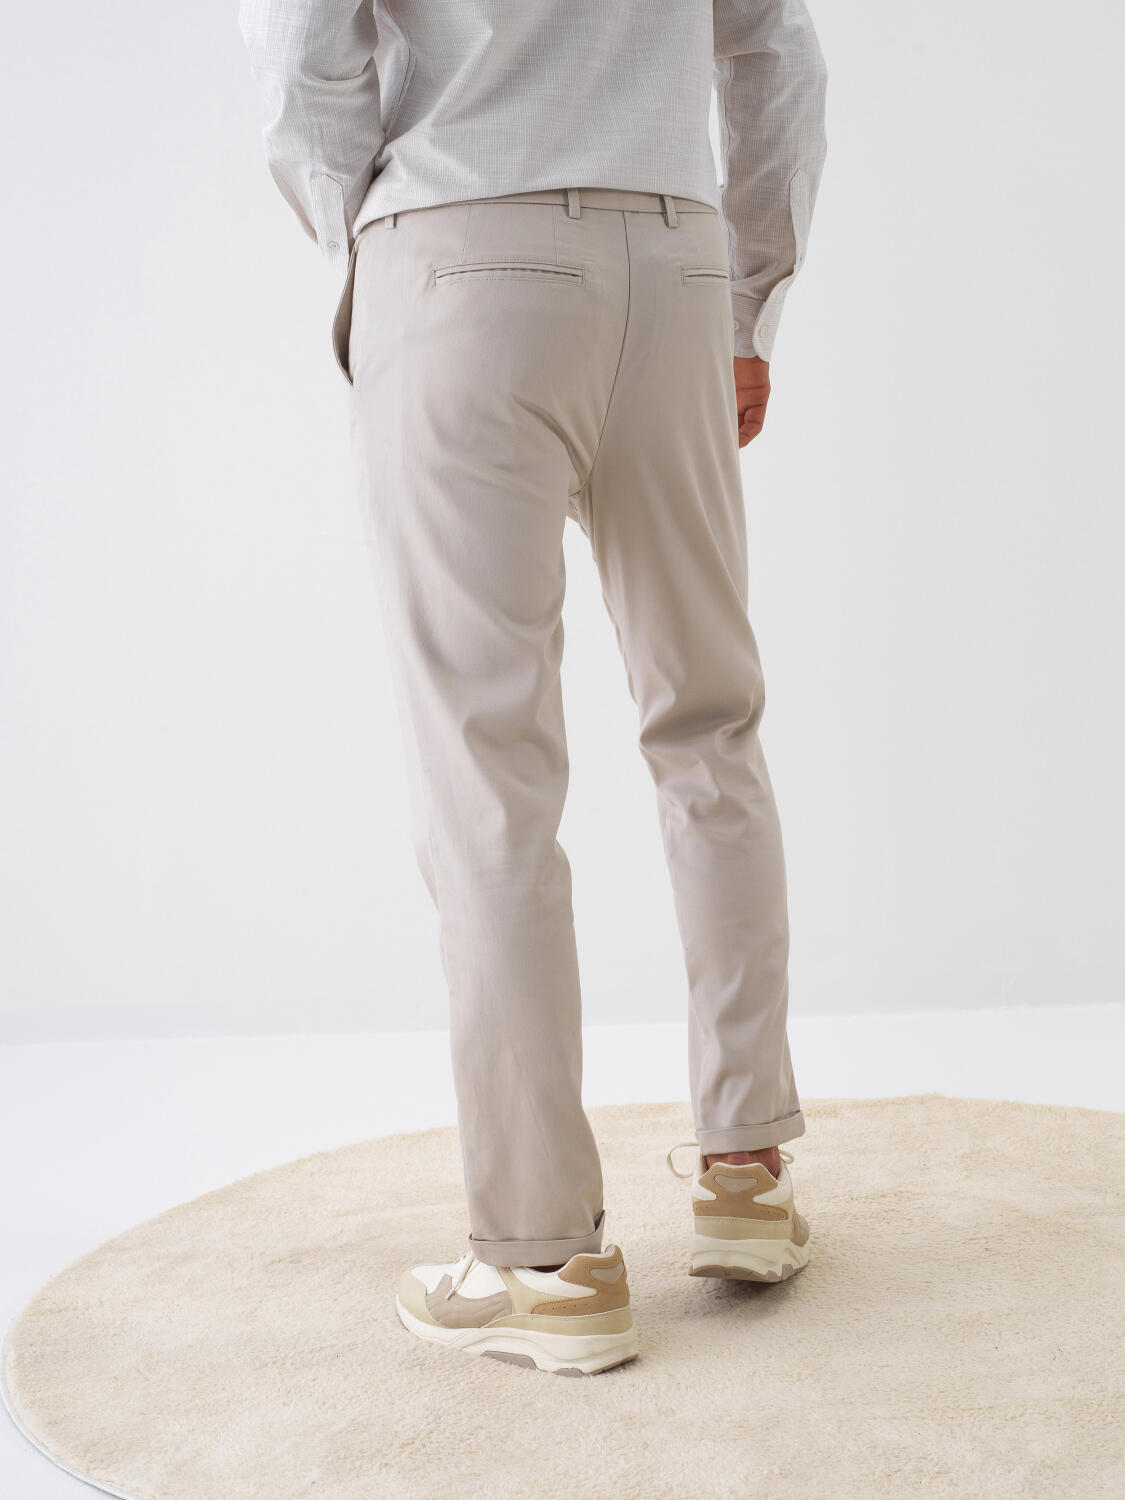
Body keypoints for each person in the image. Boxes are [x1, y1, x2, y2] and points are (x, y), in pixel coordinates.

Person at [240, 0, 827, 1376]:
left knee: (486, 771)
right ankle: (744, 1174)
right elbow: (773, 48)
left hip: (458, 243)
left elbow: (302, 48)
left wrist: (366, 239)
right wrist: (749, 296)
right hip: (674, 260)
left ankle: (548, 1261)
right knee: (708, 719)